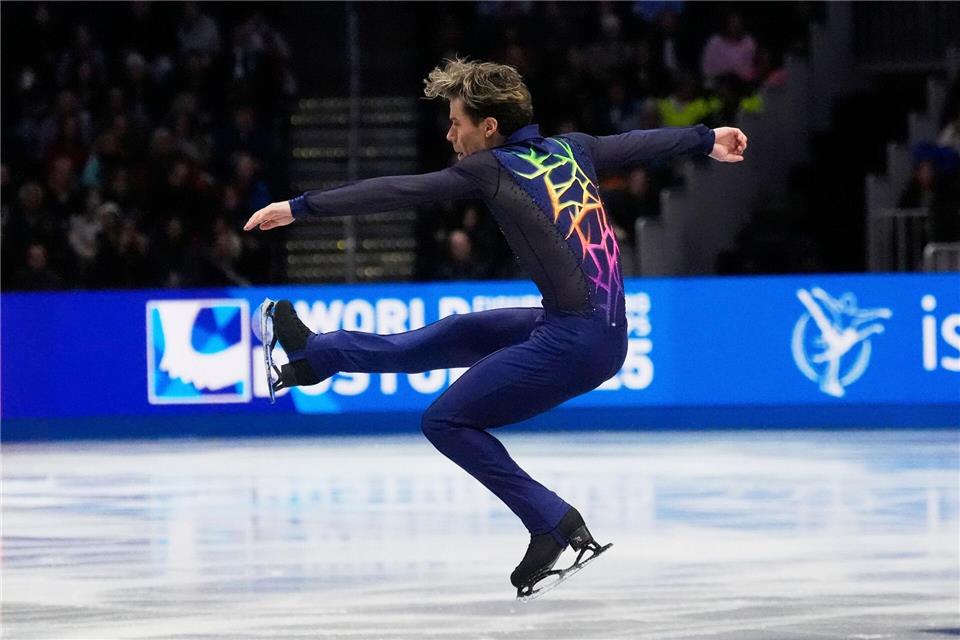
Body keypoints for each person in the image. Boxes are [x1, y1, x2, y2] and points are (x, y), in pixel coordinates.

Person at [243, 58, 747, 597]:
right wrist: (707, 138)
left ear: (488, 127)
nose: (449, 135)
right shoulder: (574, 148)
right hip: (580, 329)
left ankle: (552, 521)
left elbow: (397, 191)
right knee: (455, 333)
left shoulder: (490, 168)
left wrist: (300, 207)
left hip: (576, 342)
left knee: (444, 421)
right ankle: (318, 353)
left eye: (455, 122)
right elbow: (640, 143)